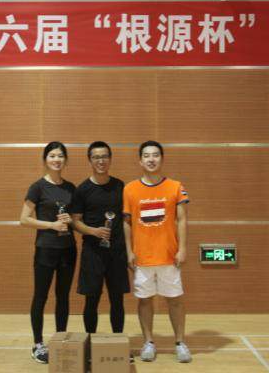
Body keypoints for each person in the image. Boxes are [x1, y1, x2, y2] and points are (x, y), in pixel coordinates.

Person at [123, 140, 192, 363]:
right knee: (145, 301)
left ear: (162, 159)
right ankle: (149, 343)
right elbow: (126, 223)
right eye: (146, 155)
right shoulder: (129, 189)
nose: (151, 159)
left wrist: (182, 248)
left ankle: (180, 343)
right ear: (140, 160)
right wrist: (129, 251)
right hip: (142, 257)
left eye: (155, 155)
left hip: (169, 256)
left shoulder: (175, 186)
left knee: (175, 300)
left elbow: (182, 219)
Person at [19, 141, 77, 364]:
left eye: (60, 156)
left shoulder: (71, 188)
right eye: (52, 156)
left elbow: (76, 218)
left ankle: (60, 339)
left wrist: (69, 220)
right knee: (41, 296)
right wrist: (51, 225)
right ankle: (38, 344)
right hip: (46, 249)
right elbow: (24, 219)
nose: (56, 159)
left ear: (65, 160)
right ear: (45, 160)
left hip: (68, 250)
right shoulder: (38, 187)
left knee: (63, 297)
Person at [70, 141, 130, 335]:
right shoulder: (82, 190)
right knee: (91, 300)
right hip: (92, 253)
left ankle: (118, 342)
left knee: (117, 300)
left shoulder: (120, 186)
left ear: (110, 159)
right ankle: (91, 342)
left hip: (117, 252)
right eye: (96, 157)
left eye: (104, 156)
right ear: (90, 160)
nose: (101, 161)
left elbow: (127, 219)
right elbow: (75, 222)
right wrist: (93, 231)